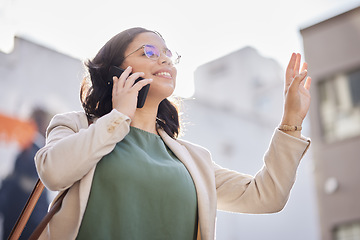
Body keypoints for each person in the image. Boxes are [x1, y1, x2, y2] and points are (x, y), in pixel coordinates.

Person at [35, 27, 311, 240]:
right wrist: (119, 116)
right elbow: (54, 173)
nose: (165, 60)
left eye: (169, 54)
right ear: (116, 71)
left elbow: (267, 195)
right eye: (150, 53)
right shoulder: (75, 126)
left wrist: (290, 121)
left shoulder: (193, 160)